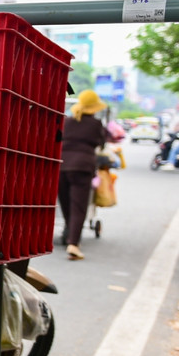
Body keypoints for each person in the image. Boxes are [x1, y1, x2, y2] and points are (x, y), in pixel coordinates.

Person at [58, 89, 108, 260]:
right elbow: (101, 143)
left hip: (61, 165)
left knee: (66, 203)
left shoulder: (67, 122)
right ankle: (73, 243)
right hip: (82, 167)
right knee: (79, 207)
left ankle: (69, 229)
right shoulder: (96, 124)